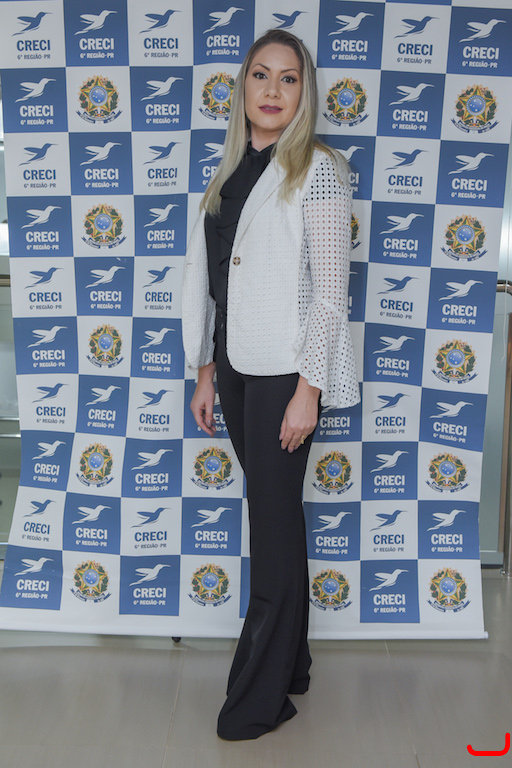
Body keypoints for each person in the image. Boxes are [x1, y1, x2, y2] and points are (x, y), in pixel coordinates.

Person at [182, 29, 360, 741]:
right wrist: (203, 370)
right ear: (243, 86)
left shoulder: (319, 170)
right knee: (279, 517)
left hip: (286, 370)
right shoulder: (227, 173)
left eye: (289, 79)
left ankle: (258, 698)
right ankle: (295, 666)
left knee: (273, 527)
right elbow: (210, 280)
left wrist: (308, 389)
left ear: (303, 93)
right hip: (232, 367)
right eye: (261, 74)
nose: (273, 90)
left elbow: (331, 293)